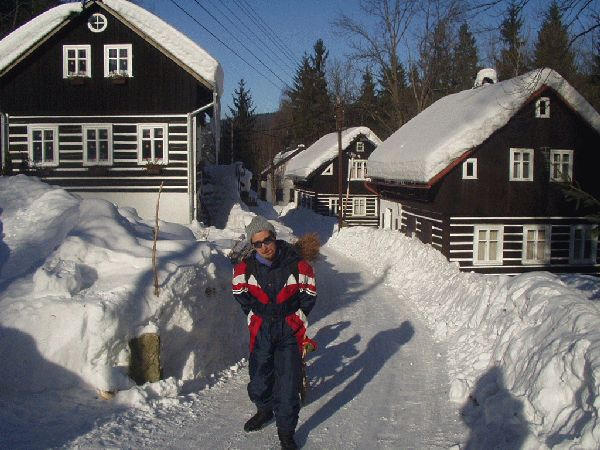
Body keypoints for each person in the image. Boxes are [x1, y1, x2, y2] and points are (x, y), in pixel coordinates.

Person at [232, 215, 317, 450]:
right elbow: (239, 292)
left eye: (267, 240)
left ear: (274, 238)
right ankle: (264, 409)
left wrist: (298, 317)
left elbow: (309, 293)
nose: (264, 247)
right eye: (257, 244)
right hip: (262, 329)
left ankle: (286, 432)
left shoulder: (296, 264)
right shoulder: (245, 269)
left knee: (288, 382)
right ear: (252, 245)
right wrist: (251, 315)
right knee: (259, 378)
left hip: (289, 328)